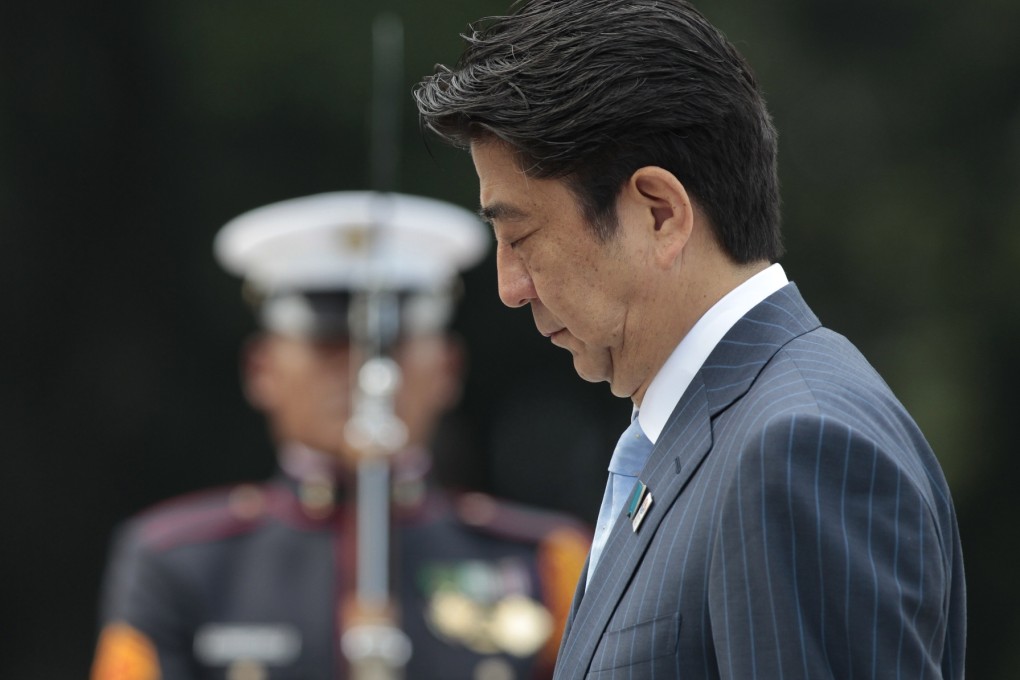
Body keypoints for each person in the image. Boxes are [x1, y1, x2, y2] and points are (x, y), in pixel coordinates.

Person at [413, 1, 966, 678]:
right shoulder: (721, 437)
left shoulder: (796, 448)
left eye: (521, 236)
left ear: (658, 213)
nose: (510, 286)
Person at [91, 191, 591, 680]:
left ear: (447, 368)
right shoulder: (182, 563)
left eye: (392, 343)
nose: (364, 367)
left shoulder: (545, 562)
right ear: (261, 370)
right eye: (328, 344)